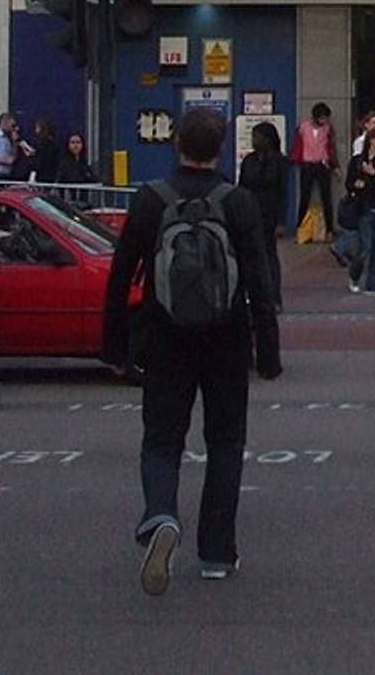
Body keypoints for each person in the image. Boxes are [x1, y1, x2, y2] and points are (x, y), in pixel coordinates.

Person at [103, 106, 281, 595]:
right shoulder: (238, 202)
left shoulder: (150, 201)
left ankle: (161, 514)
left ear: (175, 141)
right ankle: (216, 553)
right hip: (226, 337)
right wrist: (267, 350)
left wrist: (115, 346)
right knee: (225, 442)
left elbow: (120, 279)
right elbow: (259, 281)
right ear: (221, 147)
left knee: (162, 438)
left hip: (165, 335)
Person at [237, 121, 290, 311]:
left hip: (269, 214)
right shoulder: (249, 161)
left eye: (257, 137)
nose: (254, 140)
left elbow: (283, 192)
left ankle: (274, 297)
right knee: (248, 256)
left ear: (268, 139)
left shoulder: (280, 161)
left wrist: (282, 221)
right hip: (249, 212)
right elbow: (241, 187)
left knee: (269, 256)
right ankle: (250, 296)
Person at [343, 113, 375, 296]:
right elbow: (350, 182)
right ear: (371, 140)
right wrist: (360, 184)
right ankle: (354, 274)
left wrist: (371, 176)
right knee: (366, 246)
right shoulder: (358, 161)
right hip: (364, 208)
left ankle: (373, 284)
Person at [291, 102, 338, 238]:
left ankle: (329, 229)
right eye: (322, 118)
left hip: (323, 164)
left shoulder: (328, 129)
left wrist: (335, 165)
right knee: (304, 196)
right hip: (307, 164)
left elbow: (331, 147)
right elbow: (297, 143)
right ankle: (300, 228)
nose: (324, 121)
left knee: (326, 197)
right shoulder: (303, 127)